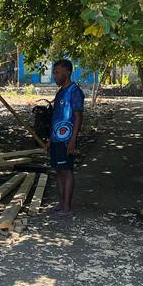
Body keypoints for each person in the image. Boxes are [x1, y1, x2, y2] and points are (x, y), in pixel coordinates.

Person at [47, 59, 84, 215]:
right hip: (56, 139)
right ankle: (61, 204)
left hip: (67, 139)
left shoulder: (74, 91)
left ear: (67, 73)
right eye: (54, 72)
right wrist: (50, 139)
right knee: (59, 171)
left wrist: (73, 140)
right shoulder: (60, 92)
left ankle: (67, 207)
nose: (54, 75)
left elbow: (78, 117)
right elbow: (55, 118)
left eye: (57, 72)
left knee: (66, 171)